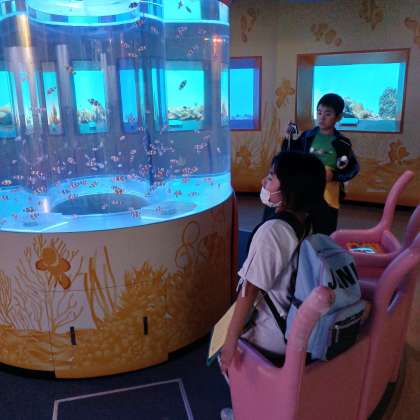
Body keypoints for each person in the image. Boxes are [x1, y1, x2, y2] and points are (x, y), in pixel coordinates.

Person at [219, 151, 327, 420]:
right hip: (295, 327)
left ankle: (248, 412)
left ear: (290, 188)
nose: (264, 182)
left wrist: (229, 343)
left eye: (270, 177)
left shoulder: (273, 231)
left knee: (228, 355)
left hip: (273, 336)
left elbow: (248, 292)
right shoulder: (307, 222)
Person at [278, 93, 360, 235]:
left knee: (324, 232)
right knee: (300, 229)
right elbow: (291, 155)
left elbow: (352, 168)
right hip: (305, 191)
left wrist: (334, 175)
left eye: (328, 114)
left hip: (328, 196)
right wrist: (287, 138)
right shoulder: (307, 136)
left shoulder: (342, 143)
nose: (322, 118)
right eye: (319, 112)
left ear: (338, 117)